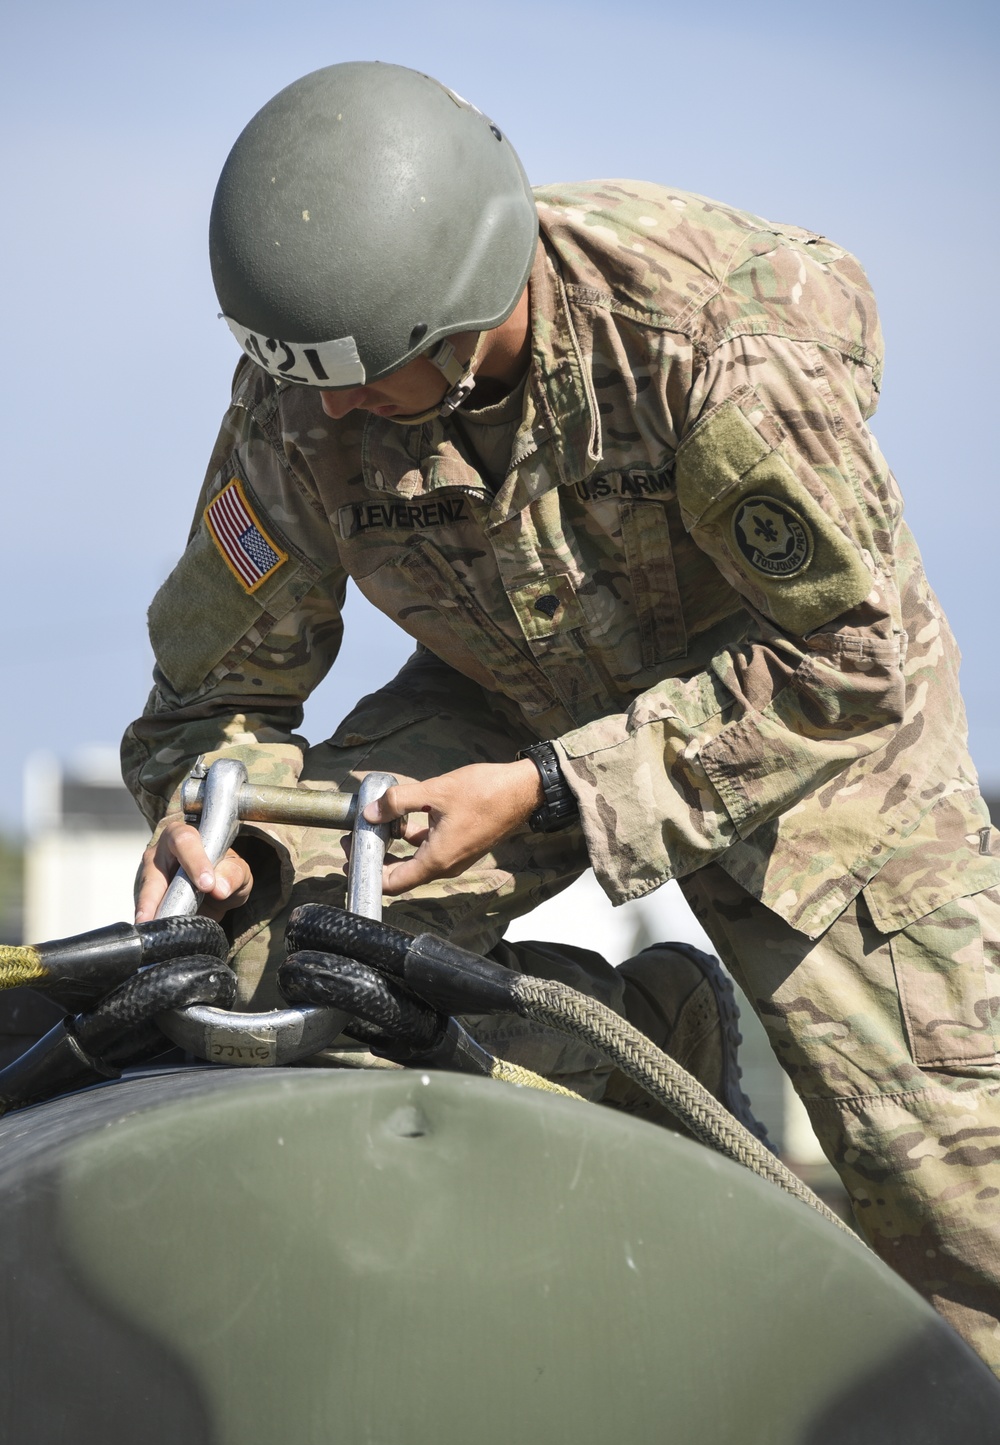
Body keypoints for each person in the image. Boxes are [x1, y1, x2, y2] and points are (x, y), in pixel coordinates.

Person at [125, 62, 1000, 1373]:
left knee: (948, 1182)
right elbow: (216, 698)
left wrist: (549, 789)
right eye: (308, 381)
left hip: (793, 712)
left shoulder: (706, 346)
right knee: (293, 974)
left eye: (374, 378)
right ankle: (635, 1060)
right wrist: (221, 828)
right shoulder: (306, 397)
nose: (337, 413)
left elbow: (855, 656)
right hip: (507, 679)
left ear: (473, 313)